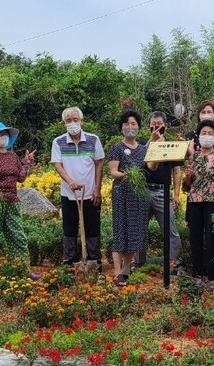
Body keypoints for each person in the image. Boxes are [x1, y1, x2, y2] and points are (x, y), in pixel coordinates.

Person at [0, 122, 39, 281]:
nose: (3, 136)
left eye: (5, 133)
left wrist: (27, 162)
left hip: (12, 201)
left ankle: (22, 269)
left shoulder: (12, 156)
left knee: (18, 237)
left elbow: (21, 177)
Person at [51, 107, 105, 273]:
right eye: (69, 120)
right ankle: (70, 261)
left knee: (92, 227)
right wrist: (70, 181)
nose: (72, 123)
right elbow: (58, 165)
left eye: (75, 119)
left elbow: (99, 164)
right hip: (69, 194)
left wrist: (97, 189)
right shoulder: (58, 142)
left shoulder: (93, 139)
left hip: (90, 193)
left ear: (82, 121)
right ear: (63, 123)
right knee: (69, 228)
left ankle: (94, 260)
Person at [108, 110, 158, 287]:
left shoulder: (143, 149)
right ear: (121, 127)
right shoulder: (116, 147)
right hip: (122, 193)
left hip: (138, 195)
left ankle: (127, 270)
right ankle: (116, 272)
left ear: (138, 126)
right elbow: (113, 172)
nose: (130, 127)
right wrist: (126, 175)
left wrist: (157, 148)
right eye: (126, 124)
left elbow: (150, 166)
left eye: (133, 124)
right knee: (120, 230)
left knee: (133, 232)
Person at [132, 111, 184, 274]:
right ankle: (137, 262)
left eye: (159, 123)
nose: (156, 126)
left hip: (163, 191)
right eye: (153, 124)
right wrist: (152, 141)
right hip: (144, 190)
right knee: (139, 227)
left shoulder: (172, 145)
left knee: (170, 229)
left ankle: (177, 263)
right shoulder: (142, 143)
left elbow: (176, 171)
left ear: (165, 125)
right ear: (148, 126)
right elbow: (138, 158)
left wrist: (176, 194)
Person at [183, 120, 214, 290]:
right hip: (194, 201)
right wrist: (188, 176)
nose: (207, 136)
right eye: (204, 132)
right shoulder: (193, 156)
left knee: (212, 240)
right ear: (198, 136)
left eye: (210, 133)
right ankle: (197, 276)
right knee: (195, 239)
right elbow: (187, 186)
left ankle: (212, 278)